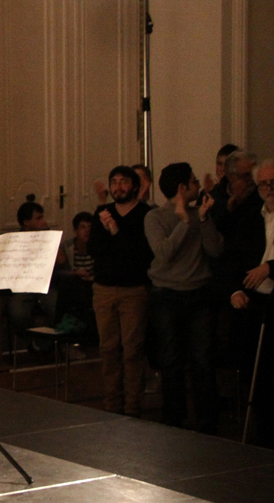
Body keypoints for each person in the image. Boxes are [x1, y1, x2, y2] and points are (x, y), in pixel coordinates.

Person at [145, 162, 222, 432]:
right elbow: (164, 253)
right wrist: (184, 222)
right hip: (166, 295)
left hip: (199, 293)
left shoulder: (198, 213)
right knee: (170, 360)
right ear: (181, 188)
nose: (198, 184)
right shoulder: (155, 217)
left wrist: (203, 219)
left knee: (203, 359)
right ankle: (174, 419)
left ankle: (207, 421)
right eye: (193, 181)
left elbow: (214, 250)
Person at [88, 165, 154, 416]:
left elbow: (140, 254)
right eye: (114, 182)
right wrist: (108, 234)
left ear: (134, 186)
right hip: (104, 289)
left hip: (133, 290)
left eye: (123, 181)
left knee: (133, 348)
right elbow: (94, 249)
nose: (118, 187)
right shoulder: (102, 212)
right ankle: (112, 404)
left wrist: (115, 231)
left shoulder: (145, 214)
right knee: (108, 348)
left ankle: (133, 405)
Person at [227, 159, 274, 447]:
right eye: (263, 184)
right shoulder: (251, 217)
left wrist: (270, 267)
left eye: (273, 183)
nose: (269, 189)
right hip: (257, 303)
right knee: (258, 375)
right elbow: (235, 258)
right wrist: (236, 290)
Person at [7, 196, 60, 333]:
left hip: (45, 287)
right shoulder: (14, 241)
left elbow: (61, 261)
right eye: (38, 218)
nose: (43, 221)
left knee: (58, 308)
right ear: (26, 222)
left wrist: (50, 238)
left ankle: (47, 341)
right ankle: (29, 339)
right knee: (18, 314)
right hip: (22, 289)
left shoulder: (47, 236)